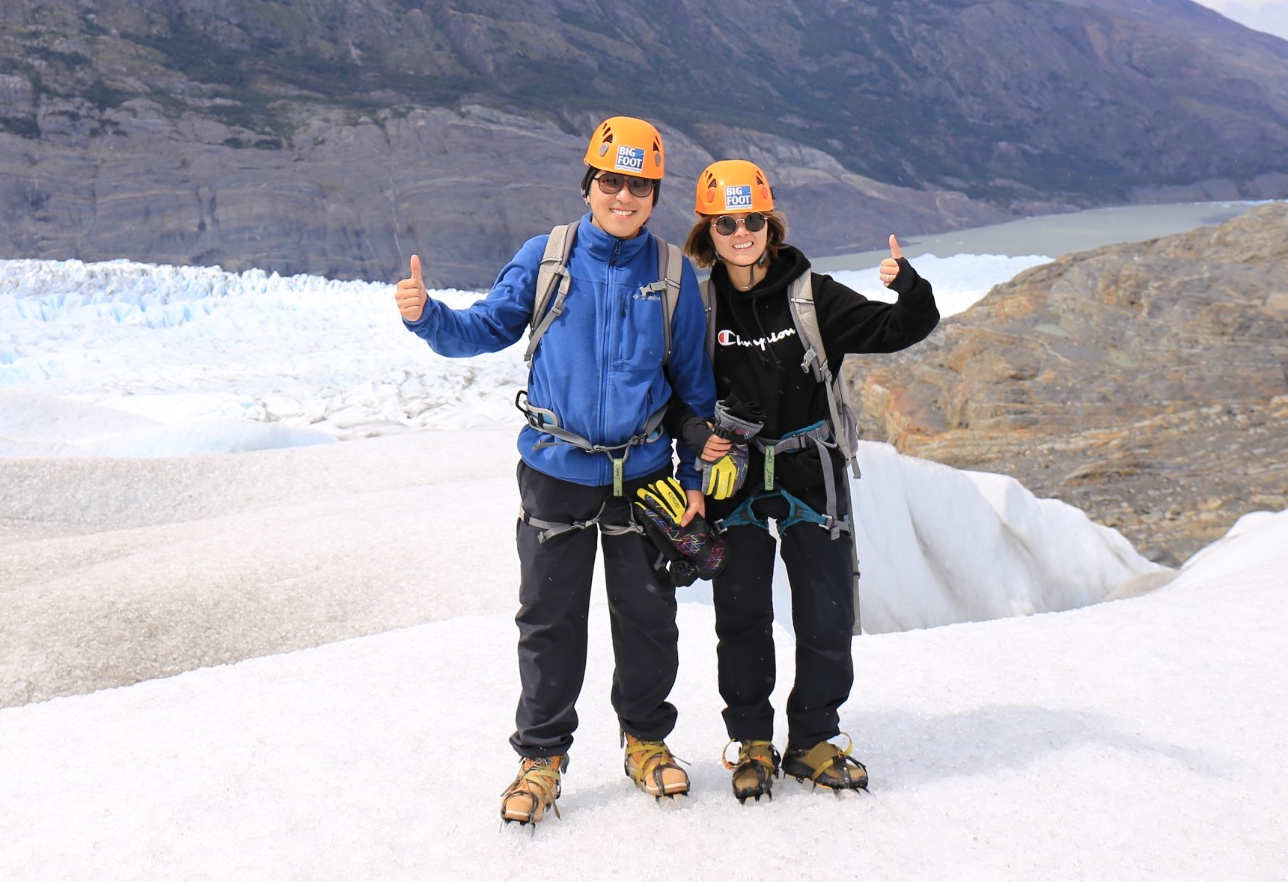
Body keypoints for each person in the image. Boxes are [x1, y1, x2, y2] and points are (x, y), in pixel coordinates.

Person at [395, 116, 717, 827]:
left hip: (641, 472)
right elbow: (487, 325)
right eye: (612, 180)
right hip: (555, 468)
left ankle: (645, 740)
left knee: (647, 618)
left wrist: (694, 478)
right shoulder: (549, 257)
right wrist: (428, 317)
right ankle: (541, 758)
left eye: (638, 184)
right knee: (549, 618)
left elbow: (695, 390)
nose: (623, 195)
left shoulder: (672, 276)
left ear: (654, 193)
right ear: (589, 183)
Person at [682, 159, 939, 800]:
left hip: (809, 467)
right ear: (708, 231)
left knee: (825, 611)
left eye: (752, 220)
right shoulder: (698, 303)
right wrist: (694, 436)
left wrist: (909, 287)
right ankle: (753, 742)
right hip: (733, 476)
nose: (741, 233)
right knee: (740, 614)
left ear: (771, 223)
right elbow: (673, 387)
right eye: (726, 222)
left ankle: (813, 740)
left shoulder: (812, 295)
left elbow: (899, 328)